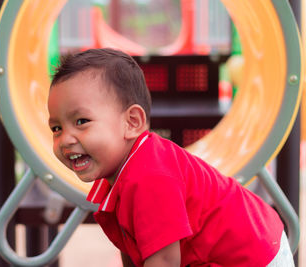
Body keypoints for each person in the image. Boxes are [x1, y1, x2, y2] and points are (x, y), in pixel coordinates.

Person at [47, 48, 294, 267]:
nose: (66, 138)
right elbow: (133, 248)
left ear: (132, 122)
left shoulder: (149, 176)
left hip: (253, 255)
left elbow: (164, 260)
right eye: (56, 128)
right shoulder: (120, 173)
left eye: (82, 121)